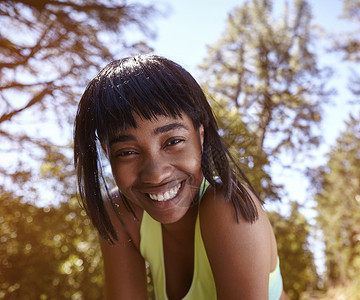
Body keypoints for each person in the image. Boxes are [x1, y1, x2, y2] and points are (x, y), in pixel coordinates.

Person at [74, 54, 289, 300]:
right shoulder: (121, 215)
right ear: (107, 154)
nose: (155, 173)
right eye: (127, 152)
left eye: (173, 141)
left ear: (201, 136)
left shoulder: (228, 208)